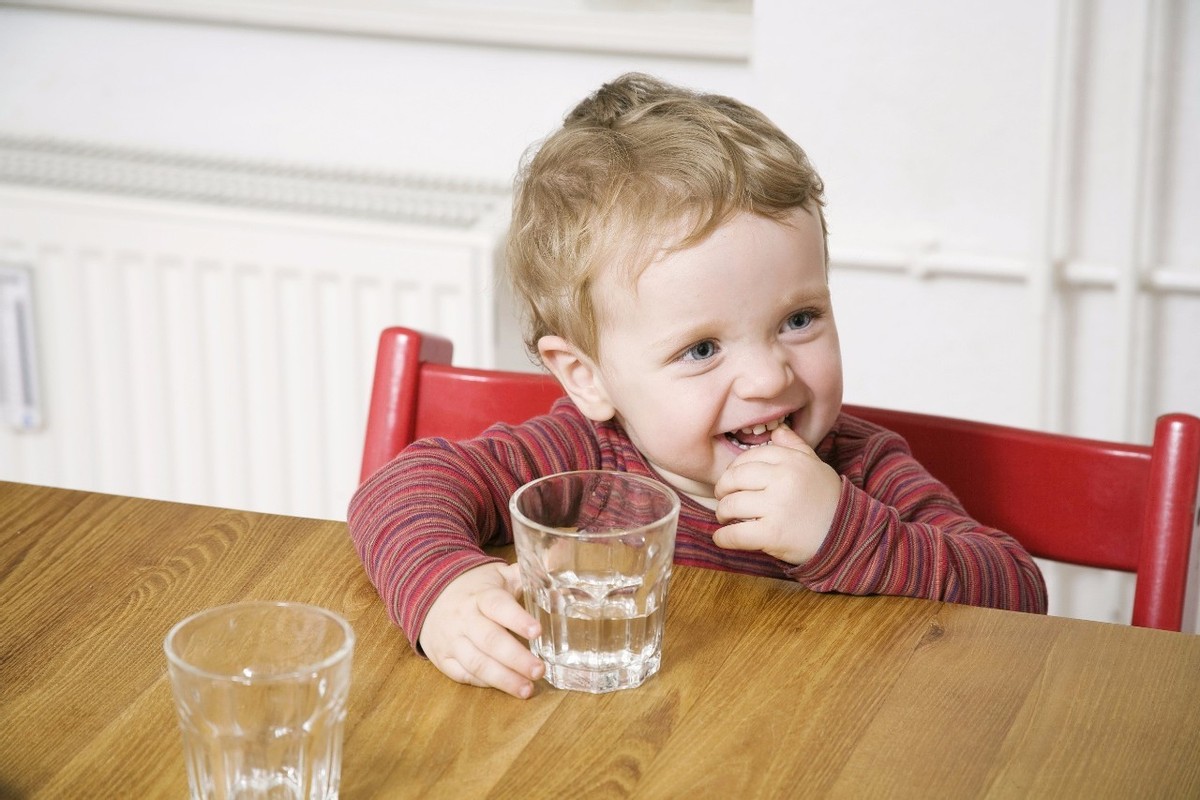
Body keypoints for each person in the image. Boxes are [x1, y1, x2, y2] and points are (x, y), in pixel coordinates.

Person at [348, 72, 1048, 699]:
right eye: (702, 348)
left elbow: (1017, 594)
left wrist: (842, 529)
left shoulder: (859, 468)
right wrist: (445, 588)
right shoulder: (575, 464)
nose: (770, 375)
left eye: (798, 318)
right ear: (588, 379)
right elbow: (397, 490)